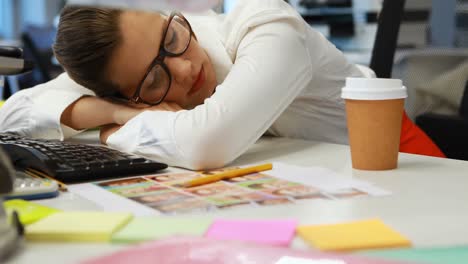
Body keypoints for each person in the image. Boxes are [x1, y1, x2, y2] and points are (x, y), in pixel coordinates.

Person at [0, 0, 445, 171]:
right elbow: (13, 114)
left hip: (406, 165)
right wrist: (116, 113)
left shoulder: (264, 23)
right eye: (155, 78)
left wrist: (121, 126)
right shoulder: (127, 94)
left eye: (172, 38)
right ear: (126, 92)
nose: (185, 68)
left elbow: (206, 143)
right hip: (323, 178)